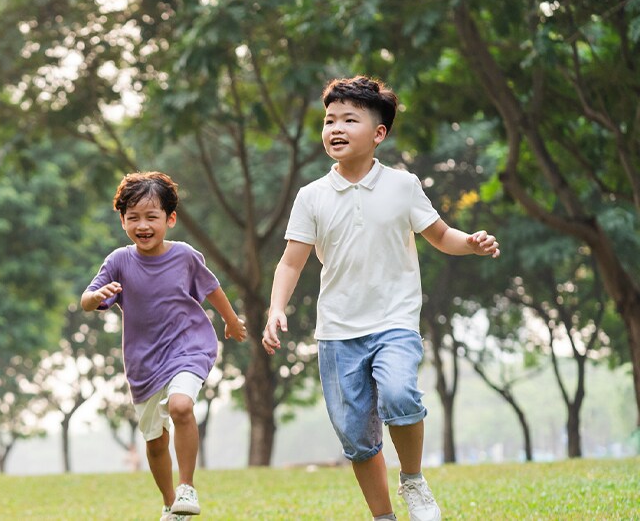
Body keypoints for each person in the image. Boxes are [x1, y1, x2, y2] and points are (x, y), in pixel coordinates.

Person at [261, 76, 500, 521]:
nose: (335, 127)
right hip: (337, 330)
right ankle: (384, 517)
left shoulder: (403, 185)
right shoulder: (311, 196)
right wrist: (276, 309)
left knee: (399, 394)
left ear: (378, 133)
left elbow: (441, 236)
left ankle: (412, 479)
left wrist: (472, 242)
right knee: (356, 437)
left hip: (394, 320)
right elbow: (291, 263)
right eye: (330, 119)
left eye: (349, 119)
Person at [81, 171, 246, 521]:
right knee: (155, 443)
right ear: (122, 220)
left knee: (181, 406)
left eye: (152, 217)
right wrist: (96, 296)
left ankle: (187, 486)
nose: (143, 225)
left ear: (170, 219)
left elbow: (211, 288)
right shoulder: (118, 262)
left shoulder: (185, 256)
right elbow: (86, 300)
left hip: (189, 347)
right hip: (144, 363)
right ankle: (172, 504)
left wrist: (231, 321)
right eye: (133, 217)